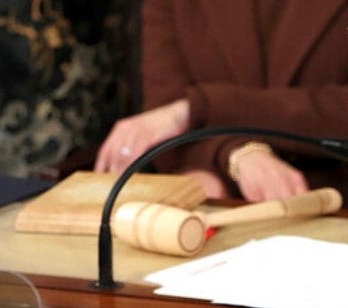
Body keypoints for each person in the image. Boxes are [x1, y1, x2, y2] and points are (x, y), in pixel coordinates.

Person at [94, 0, 348, 202]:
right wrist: (235, 154)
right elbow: (162, 131)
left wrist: (201, 107)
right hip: (221, 203)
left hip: (331, 204)